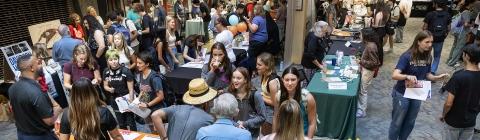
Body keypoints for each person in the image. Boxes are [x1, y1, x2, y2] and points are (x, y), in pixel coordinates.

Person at [389, 31, 449, 140]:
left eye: (431, 42)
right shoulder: (407, 56)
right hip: (402, 94)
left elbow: (427, 74)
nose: (430, 45)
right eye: (427, 42)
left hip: (417, 94)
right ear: (418, 42)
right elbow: (395, 75)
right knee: (397, 122)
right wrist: (407, 76)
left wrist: (436, 78)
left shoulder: (428, 57)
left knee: (410, 122)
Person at [9, 54, 62, 140]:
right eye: (38, 63)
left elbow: (13, 111)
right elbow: (49, 121)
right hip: (40, 136)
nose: (41, 66)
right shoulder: (35, 91)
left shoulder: (12, 88)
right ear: (31, 68)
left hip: (22, 135)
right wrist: (58, 109)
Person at [151, 78, 217, 140]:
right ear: (206, 102)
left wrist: (164, 138)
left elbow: (155, 115)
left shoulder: (176, 109)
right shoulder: (209, 119)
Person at [440, 46, 480, 140]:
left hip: (454, 121)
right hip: (470, 122)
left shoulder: (458, 76)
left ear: (467, 56)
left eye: (463, 54)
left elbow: (449, 103)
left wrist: (443, 114)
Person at [275, 66, 317, 138]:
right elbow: (276, 117)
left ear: (298, 79)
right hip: (284, 135)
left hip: (302, 135)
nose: (290, 83)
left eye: (293, 79)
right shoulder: (278, 96)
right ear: (282, 80)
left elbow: (312, 122)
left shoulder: (307, 98)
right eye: (287, 80)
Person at [102, 49, 136, 131]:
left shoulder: (126, 71)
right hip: (115, 100)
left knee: (131, 123)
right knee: (121, 124)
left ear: (118, 59)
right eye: (110, 60)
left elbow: (131, 89)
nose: (113, 62)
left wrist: (131, 103)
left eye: (115, 59)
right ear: (107, 60)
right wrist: (109, 89)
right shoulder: (106, 71)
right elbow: (105, 86)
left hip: (126, 99)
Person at [227, 67, 266, 137]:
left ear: (245, 80)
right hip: (234, 133)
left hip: (252, 135)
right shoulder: (229, 94)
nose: (235, 80)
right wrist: (236, 125)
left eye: (238, 78)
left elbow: (262, 117)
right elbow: (226, 116)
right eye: (233, 77)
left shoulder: (255, 95)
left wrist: (245, 123)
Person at [135, 51, 165, 132]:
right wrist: (137, 101)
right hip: (146, 109)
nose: (137, 65)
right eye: (137, 62)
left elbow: (161, 96)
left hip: (156, 109)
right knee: (152, 130)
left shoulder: (155, 78)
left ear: (147, 64)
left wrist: (147, 105)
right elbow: (142, 89)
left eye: (140, 63)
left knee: (159, 132)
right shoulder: (141, 74)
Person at [356, 28, 383, 118]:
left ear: (366, 36)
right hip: (366, 70)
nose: (360, 36)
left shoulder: (371, 46)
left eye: (361, 34)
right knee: (362, 90)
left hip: (368, 71)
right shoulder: (370, 44)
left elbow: (375, 62)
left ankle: (362, 111)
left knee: (363, 91)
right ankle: (360, 108)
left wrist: (361, 61)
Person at [423, 0, 451, 74]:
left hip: (429, 38)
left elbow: (424, 27)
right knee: (437, 56)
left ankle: (425, 70)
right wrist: (444, 36)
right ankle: (432, 71)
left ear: (435, 4)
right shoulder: (447, 15)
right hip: (440, 39)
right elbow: (449, 28)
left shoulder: (430, 14)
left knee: (426, 54)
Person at [446, 0, 477, 67]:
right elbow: (466, 24)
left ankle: (449, 60)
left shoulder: (462, 10)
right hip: (462, 32)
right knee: (459, 47)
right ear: (470, 4)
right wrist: (472, 25)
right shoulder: (467, 12)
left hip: (457, 31)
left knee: (454, 46)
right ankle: (452, 62)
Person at [255, 52, 280, 135]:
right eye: (257, 64)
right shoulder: (263, 75)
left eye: (259, 65)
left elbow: (275, 103)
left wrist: (260, 97)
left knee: (267, 134)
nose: (256, 67)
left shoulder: (272, 82)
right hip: (265, 108)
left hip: (272, 113)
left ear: (267, 66)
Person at [243, 4, 268, 72]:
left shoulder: (256, 18)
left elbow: (253, 30)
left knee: (251, 56)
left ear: (258, 10)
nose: (253, 10)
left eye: (255, 9)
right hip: (263, 40)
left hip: (257, 40)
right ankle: (260, 70)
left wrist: (248, 22)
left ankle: (254, 71)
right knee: (258, 56)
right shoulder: (263, 17)